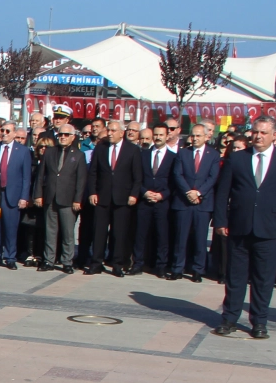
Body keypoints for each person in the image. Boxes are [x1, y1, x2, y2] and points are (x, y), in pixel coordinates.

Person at [212, 116, 276, 340]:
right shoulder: (237, 158)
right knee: (235, 277)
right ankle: (229, 318)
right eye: (255, 132)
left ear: (274, 135)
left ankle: (259, 322)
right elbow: (223, 192)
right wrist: (221, 221)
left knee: (263, 279)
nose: (258, 136)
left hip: (270, 228)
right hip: (239, 227)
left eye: (263, 133)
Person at [86, 118, 142, 275]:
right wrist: (92, 192)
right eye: (108, 130)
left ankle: (117, 264)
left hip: (122, 198)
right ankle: (96, 263)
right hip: (102, 197)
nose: (109, 133)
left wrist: (134, 194)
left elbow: (137, 176)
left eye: (113, 131)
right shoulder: (101, 148)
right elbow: (93, 172)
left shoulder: (132, 150)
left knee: (119, 233)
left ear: (121, 133)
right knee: (99, 232)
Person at [169, 122, 219, 282]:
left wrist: (198, 192)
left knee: (200, 238)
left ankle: (198, 270)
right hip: (183, 201)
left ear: (206, 137)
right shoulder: (183, 153)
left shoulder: (213, 155)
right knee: (180, 237)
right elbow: (177, 174)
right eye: (193, 135)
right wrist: (188, 192)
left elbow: (213, 177)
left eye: (198, 135)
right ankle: (177, 268)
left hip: (202, 203)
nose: (195, 138)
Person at [32, 124, 85, 273]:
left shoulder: (78, 155)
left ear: (73, 137)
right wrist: (38, 195)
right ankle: (48, 260)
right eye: (61, 134)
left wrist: (78, 199)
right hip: (50, 197)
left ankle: (67, 261)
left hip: (68, 199)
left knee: (68, 233)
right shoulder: (50, 152)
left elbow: (81, 180)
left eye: (66, 135)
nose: (63, 137)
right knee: (50, 231)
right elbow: (41, 175)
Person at [0, 120, 32, 268]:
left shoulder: (22, 151)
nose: (4, 134)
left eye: (8, 131)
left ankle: (10, 257)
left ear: (14, 134)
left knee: (10, 228)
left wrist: (24, 197)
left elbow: (26, 177)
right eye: (2, 130)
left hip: (12, 195)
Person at [136, 124, 174, 275]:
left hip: (162, 202)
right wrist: (144, 192)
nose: (158, 137)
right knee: (140, 234)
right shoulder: (143, 155)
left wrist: (162, 195)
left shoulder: (173, 157)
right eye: (156, 135)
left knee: (162, 235)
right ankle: (138, 263)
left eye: (161, 135)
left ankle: (161, 265)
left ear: (167, 136)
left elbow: (173, 181)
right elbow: (137, 177)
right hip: (144, 200)